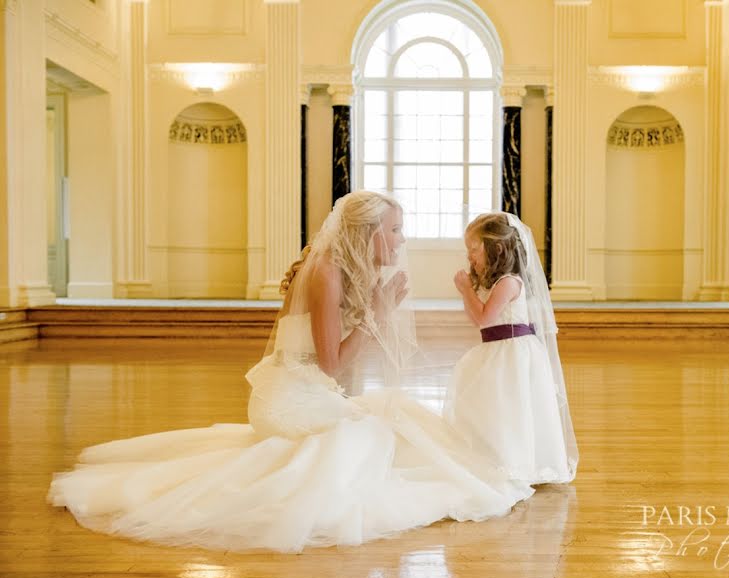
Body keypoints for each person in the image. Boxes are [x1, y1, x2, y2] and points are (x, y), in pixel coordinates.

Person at [48, 191, 533, 553]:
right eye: (396, 229)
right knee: (374, 437)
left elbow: (330, 372)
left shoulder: (339, 268)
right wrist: (377, 313)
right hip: (286, 399)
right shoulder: (326, 272)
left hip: (304, 390)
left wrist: (374, 310)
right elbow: (333, 364)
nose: (402, 240)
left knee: (391, 423)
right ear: (368, 233)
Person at [445, 212, 578, 485]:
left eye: (473, 249)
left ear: (497, 248)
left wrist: (465, 291)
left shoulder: (508, 282)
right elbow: (478, 322)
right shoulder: (493, 283)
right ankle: (495, 456)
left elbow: (484, 317)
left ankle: (520, 464)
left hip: (513, 352)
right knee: (496, 408)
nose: (469, 256)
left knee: (514, 407)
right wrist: (470, 292)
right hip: (495, 348)